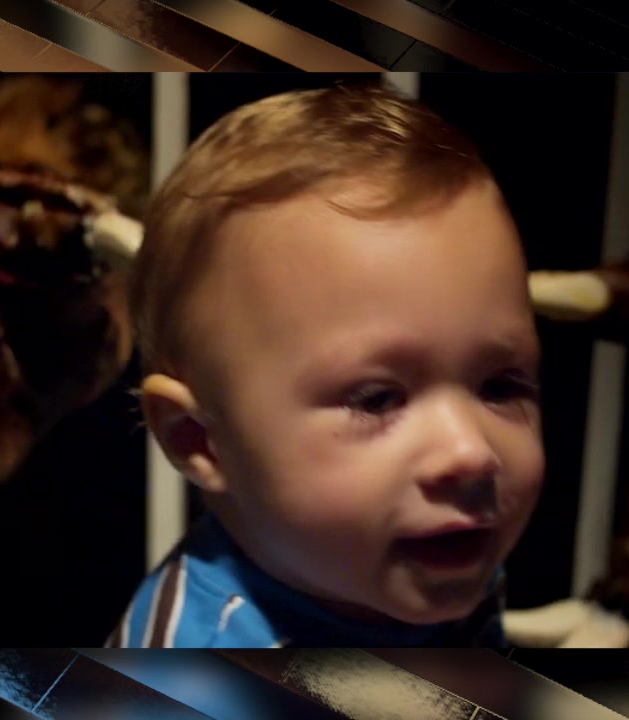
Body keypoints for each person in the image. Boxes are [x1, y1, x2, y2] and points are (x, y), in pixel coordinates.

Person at [112, 82, 545, 647]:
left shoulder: (446, 547)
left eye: (499, 386)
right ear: (201, 439)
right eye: (378, 399)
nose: (472, 453)